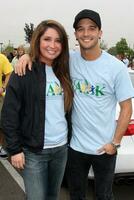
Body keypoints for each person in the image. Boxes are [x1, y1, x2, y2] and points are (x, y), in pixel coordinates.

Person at [14, 9, 134, 200]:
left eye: (92, 28)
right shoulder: (69, 60)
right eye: (81, 29)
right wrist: (27, 56)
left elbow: (127, 107)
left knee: (104, 195)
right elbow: (46, 54)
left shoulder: (116, 68)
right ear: (76, 34)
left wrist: (115, 142)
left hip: (104, 148)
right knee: (76, 195)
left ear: (100, 33)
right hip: (75, 147)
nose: (86, 33)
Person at [1, 20, 73, 200]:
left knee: (52, 196)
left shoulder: (64, 70)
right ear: (37, 41)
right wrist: (15, 149)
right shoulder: (24, 71)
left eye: (58, 41)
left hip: (60, 149)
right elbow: (9, 114)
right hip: (33, 152)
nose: (52, 45)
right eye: (47, 39)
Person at [0, 53, 13, 159]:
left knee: (1, 123)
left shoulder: (1, 58)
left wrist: (3, 87)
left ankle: (0, 147)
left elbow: (9, 73)